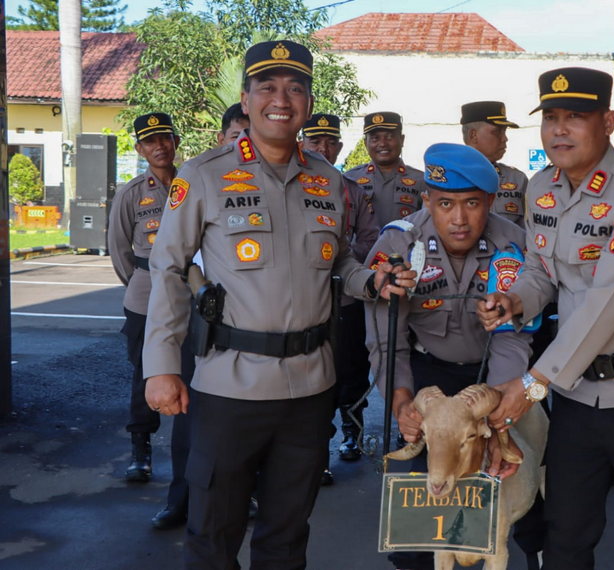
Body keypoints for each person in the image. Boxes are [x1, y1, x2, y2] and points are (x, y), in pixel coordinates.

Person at [140, 40, 414, 568]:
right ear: (246, 99)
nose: (281, 99)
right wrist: (160, 366)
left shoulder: (330, 181)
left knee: (287, 537)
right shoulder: (203, 174)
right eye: (267, 87)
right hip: (229, 387)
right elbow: (169, 269)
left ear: (308, 104)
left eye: (295, 88)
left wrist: (372, 281)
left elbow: (339, 266)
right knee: (213, 535)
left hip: (311, 388)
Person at [477, 67, 614, 570]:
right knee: (566, 538)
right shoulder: (541, 187)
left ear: (609, 121)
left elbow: (606, 302)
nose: (559, 129)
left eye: (575, 116)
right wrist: (516, 301)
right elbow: (540, 270)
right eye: (551, 117)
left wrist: (532, 386)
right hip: (577, 398)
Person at [366, 142, 533, 570]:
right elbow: (387, 340)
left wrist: (498, 411)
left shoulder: (512, 244)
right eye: (445, 204)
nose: (459, 219)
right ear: (427, 200)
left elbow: (512, 338)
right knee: (419, 519)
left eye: (472, 204)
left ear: (492, 202)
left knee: (519, 492)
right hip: (427, 380)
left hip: (492, 378)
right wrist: (401, 401)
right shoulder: (399, 243)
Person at [107, 113, 195, 530]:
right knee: (145, 373)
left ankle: (194, 459)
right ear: (140, 149)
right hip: (144, 293)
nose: (159, 146)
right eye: (149, 142)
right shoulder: (131, 194)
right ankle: (140, 449)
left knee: (193, 373)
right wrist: (143, 283)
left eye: (164, 138)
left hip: (189, 291)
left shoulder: (191, 182)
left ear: (176, 141)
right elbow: (119, 249)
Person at [302, 113, 379, 483]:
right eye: (315, 141)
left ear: (340, 147)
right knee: (311, 381)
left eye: (330, 142)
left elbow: (369, 240)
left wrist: (333, 254)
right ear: (303, 143)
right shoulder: (293, 184)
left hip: (346, 298)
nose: (323, 148)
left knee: (351, 372)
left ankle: (351, 434)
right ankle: (316, 451)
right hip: (305, 301)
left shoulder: (353, 190)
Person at [344, 112, 426, 227]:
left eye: (389, 136)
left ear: (402, 140)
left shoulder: (421, 181)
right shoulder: (350, 179)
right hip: (363, 245)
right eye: (374, 138)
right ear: (365, 143)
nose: (382, 143)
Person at [460, 101, 528, 226]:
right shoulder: (446, 177)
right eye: (497, 132)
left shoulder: (517, 179)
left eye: (505, 132)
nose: (505, 138)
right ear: (473, 135)